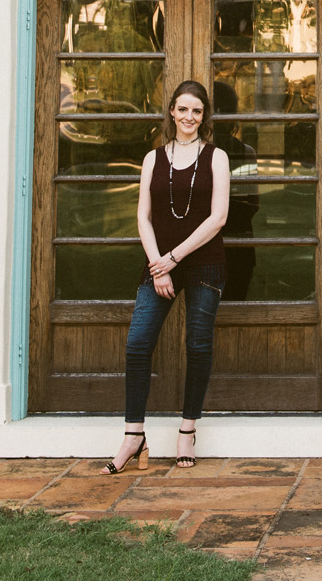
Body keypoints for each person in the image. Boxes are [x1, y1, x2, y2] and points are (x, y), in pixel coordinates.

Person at [102, 80, 231, 474]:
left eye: (196, 110)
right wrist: (158, 263)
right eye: (182, 109)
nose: (189, 117)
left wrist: (173, 258)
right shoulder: (153, 159)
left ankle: (187, 429)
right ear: (171, 112)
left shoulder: (217, 157)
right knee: (138, 344)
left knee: (198, 344)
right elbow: (142, 216)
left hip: (203, 263)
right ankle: (134, 435)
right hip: (158, 265)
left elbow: (218, 217)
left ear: (203, 116)